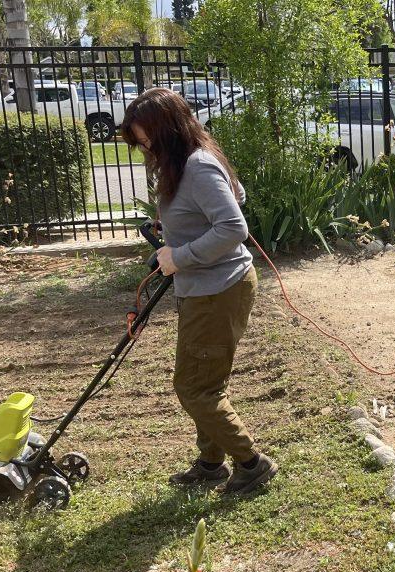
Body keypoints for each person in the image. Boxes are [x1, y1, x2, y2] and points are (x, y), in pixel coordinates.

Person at [120, 88, 278, 495]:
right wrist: (176, 229)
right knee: (206, 382)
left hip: (218, 288)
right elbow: (234, 196)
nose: (145, 148)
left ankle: (252, 464)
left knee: (193, 387)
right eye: (140, 142)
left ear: (168, 131)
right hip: (207, 287)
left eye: (147, 139)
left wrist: (181, 255)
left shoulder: (198, 166)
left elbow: (233, 226)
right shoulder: (192, 160)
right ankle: (211, 464)